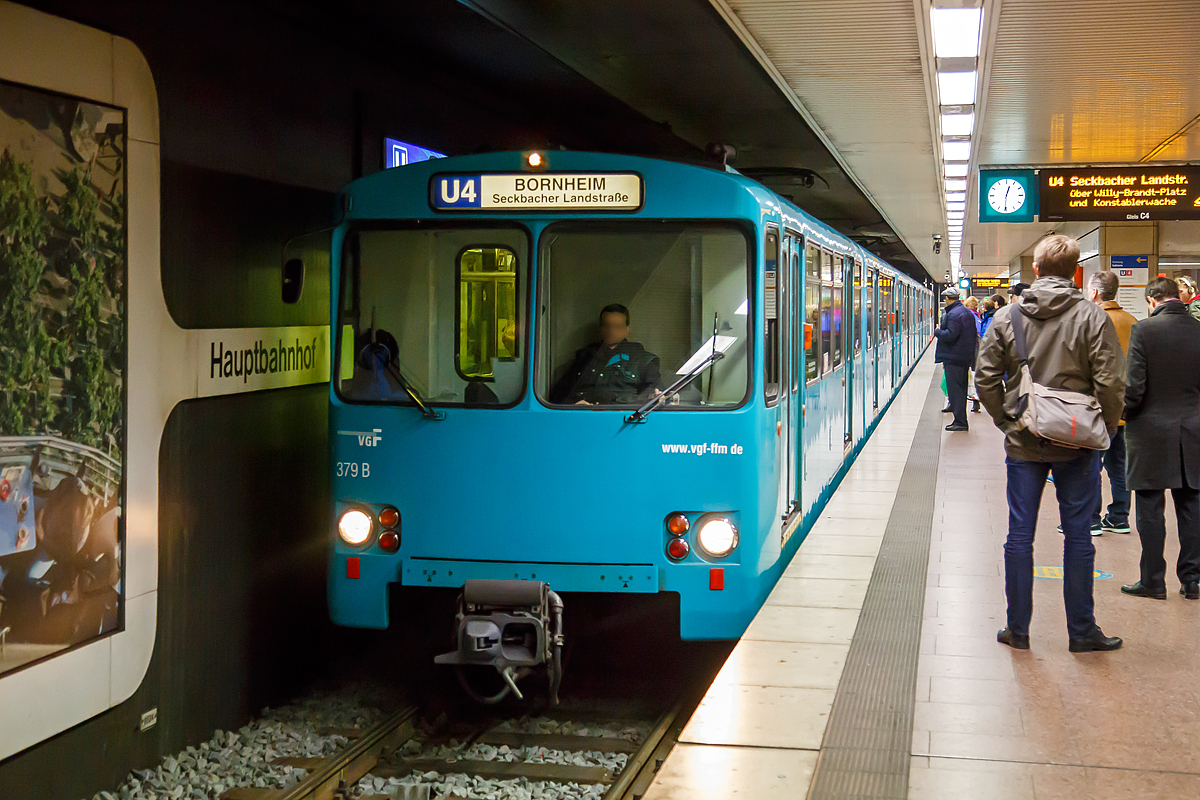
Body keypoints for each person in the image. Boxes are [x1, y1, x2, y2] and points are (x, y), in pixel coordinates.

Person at [976, 235, 1125, 652]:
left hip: (1024, 440)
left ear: (1037, 270)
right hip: (1079, 442)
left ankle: (1017, 630)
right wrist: (1106, 428)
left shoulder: (1008, 316)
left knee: (1019, 535)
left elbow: (985, 377)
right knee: (1079, 536)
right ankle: (1081, 632)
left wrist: (1007, 420)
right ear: (1075, 271)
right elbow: (1111, 381)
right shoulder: (1093, 316)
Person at [1120, 277, 1200, 601]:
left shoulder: (1144, 330)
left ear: (1153, 301)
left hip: (1150, 433)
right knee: (1192, 506)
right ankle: (1192, 579)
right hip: (1194, 431)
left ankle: (1153, 580)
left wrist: (1122, 414)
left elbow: (1135, 388)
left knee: (1150, 509)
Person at [1086, 271, 1135, 535]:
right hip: (1127, 407)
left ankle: (1091, 519)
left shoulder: (1093, 319)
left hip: (1099, 407)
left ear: (1095, 292)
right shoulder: (1133, 321)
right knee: (1119, 466)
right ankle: (1119, 517)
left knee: (1091, 465)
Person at [551, 304, 661, 405]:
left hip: (623, 418)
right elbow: (559, 395)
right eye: (607, 326)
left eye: (617, 326)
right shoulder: (585, 358)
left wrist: (617, 403)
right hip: (584, 417)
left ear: (627, 329)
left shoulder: (644, 360)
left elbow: (655, 395)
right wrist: (574, 405)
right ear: (601, 328)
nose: (611, 331)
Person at [934, 287, 977, 431]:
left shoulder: (953, 314)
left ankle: (960, 422)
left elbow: (950, 335)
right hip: (963, 357)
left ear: (947, 299)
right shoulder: (966, 312)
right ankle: (958, 414)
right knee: (960, 388)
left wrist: (938, 331)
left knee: (956, 389)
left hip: (954, 357)